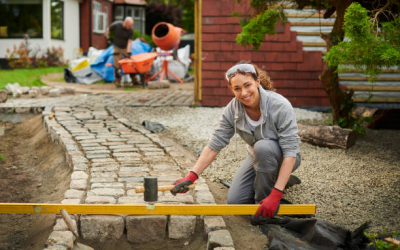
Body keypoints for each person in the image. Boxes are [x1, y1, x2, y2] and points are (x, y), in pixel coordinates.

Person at [171, 61, 302, 220]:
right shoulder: (232, 110)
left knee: (263, 147)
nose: (244, 93)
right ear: (232, 89)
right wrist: (191, 176)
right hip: (258, 157)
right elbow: (214, 145)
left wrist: (276, 195)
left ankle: (263, 205)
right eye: (237, 89)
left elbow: (290, 151)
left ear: (258, 81)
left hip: (284, 157)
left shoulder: (280, 105)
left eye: (248, 85)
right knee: (236, 202)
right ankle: (276, 179)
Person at [105, 17, 135, 87]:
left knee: (130, 63)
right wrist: (108, 38)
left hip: (125, 48)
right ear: (125, 23)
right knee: (117, 65)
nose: (131, 27)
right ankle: (117, 82)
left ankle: (134, 80)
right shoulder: (116, 25)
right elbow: (108, 29)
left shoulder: (130, 31)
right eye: (129, 26)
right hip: (117, 47)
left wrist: (129, 52)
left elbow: (130, 42)